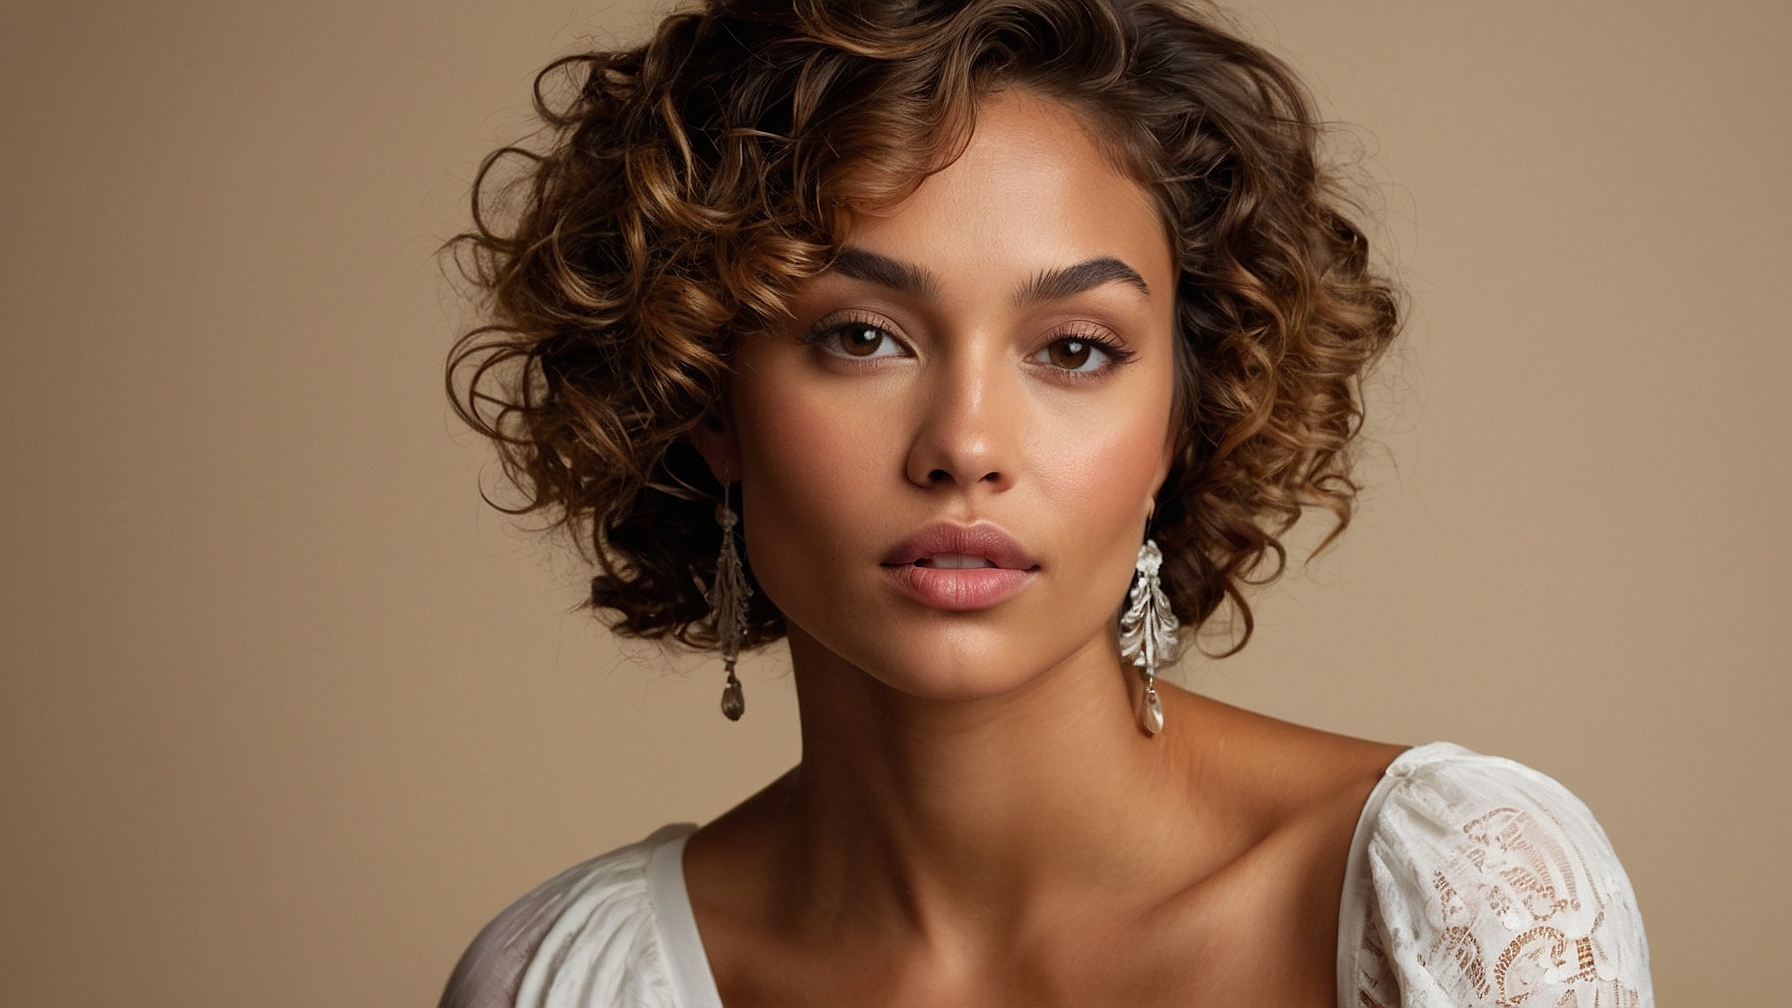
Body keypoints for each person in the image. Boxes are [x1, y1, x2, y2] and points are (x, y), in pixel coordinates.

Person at [438, 0, 1653, 1004]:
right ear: (708, 394)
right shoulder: (569, 981)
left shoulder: (1462, 905)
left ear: (1186, 408)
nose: (964, 446)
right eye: (862, 336)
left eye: (1072, 349)